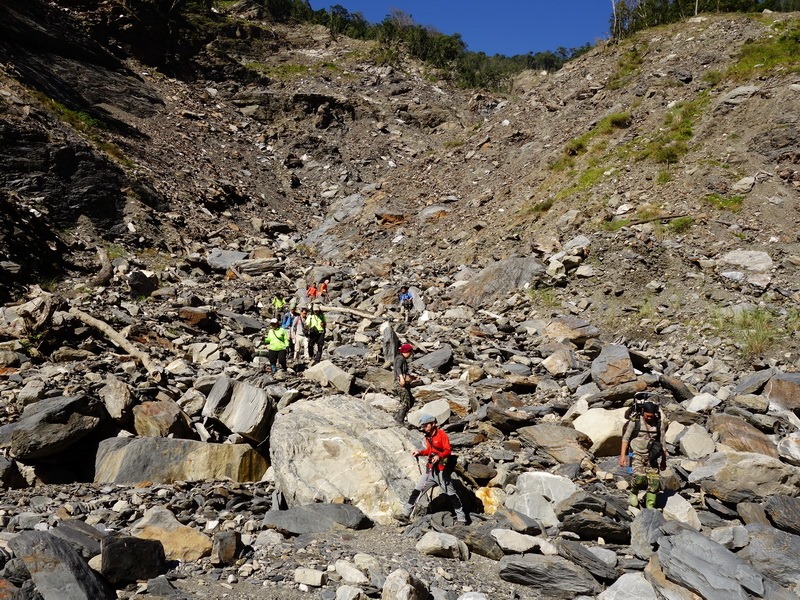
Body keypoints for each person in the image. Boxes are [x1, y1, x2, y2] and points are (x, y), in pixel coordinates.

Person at [397, 414, 467, 524]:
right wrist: (420, 453)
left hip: (441, 471)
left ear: (433, 424)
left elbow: (448, 450)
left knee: (451, 494)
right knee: (417, 490)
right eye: (423, 426)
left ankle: (461, 518)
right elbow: (429, 451)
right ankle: (406, 515)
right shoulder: (427, 436)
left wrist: (439, 456)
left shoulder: (441, 435)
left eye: (425, 425)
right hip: (430, 470)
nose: (424, 428)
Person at [618, 399, 667, 509]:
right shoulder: (635, 422)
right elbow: (625, 439)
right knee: (640, 478)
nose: (649, 418)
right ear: (643, 412)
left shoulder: (659, 424)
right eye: (647, 416)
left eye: (651, 416)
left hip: (652, 455)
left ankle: (650, 505)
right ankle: (633, 492)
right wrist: (622, 456)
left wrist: (663, 460)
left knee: (654, 482)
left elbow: (662, 443)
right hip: (636, 453)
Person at [393, 343, 418, 424]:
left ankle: (397, 417)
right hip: (399, 383)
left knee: (410, 399)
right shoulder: (400, 359)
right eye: (410, 353)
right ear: (407, 352)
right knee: (406, 401)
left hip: (403, 383)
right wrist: (401, 378)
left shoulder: (400, 358)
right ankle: (399, 421)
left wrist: (411, 377)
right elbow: (397, 368)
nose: (410, 355)